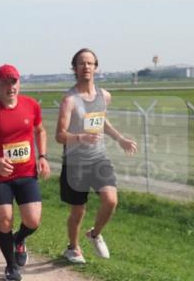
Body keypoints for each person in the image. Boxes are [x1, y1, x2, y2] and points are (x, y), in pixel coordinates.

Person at [0, 64, 51, 281]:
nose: (10, 87)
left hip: (27, 174)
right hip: (0, 177)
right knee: (5, 220)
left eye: (13, 82)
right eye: (4, 82)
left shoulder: (31, 105)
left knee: (32, 221)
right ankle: (11, 266)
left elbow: (40, 130)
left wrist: (42, 156)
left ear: (19, 83)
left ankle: (19, 239)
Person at [56, 48, 137, 264]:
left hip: (99, 159)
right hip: (76, 163)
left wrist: (120, 139)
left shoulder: (104, 96)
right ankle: (73, 248)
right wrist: (80, 138)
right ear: (74, 68)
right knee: (78, 211)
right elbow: (59, 135)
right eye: (81, 63)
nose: (86, 67)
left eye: (90, 63)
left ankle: (94, 234)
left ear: (96, 67)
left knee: (111, 200)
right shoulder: (69, 100)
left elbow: (101, 120)